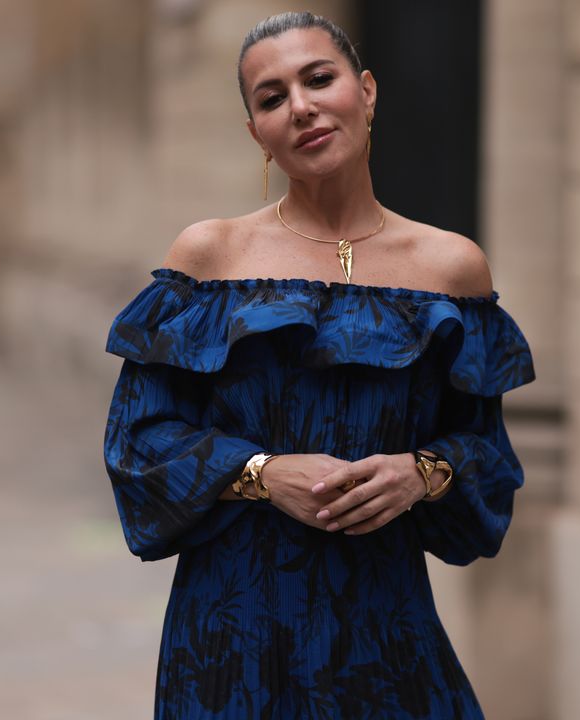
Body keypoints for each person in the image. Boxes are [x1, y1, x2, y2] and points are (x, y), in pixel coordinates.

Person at [103, 11, 534, 718]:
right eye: (271, 98)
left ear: (365, 91)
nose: (300, 106)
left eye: (318, 78)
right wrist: (264, 475)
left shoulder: (450, 267)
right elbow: (138, 446)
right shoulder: (211, 257)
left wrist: (417, 474)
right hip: (232, 635)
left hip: (385, 625)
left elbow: (486, 456)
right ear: (257, 135)